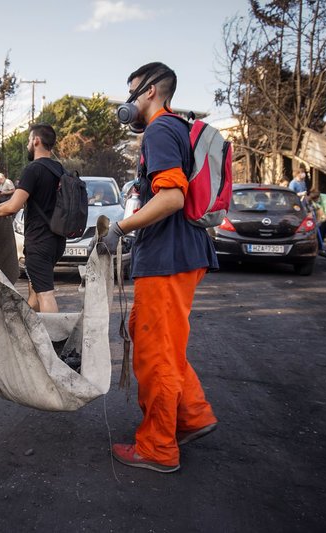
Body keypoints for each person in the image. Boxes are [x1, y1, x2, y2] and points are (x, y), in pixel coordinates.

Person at [103, 62, 219, 474]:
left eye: (132, 90)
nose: (128, 100)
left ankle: (157, 447)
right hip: (178, 254)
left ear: (151, 91)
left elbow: (170, 197)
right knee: (153, 338)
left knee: (156, 354)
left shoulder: (159, 129)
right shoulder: (173, 129)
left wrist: (120, 227)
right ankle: (192, 415)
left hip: (170, 257)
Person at [0, 124, 65, 313]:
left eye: (29, 140)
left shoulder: (33, 169)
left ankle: (53, 340)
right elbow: (15, 200)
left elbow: (13, 206)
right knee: (35, 293)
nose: (28, 144)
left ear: (36, 141)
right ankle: (27, 333)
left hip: (39, 241)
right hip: (57, 240)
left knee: (45, 294)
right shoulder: (58, 169)